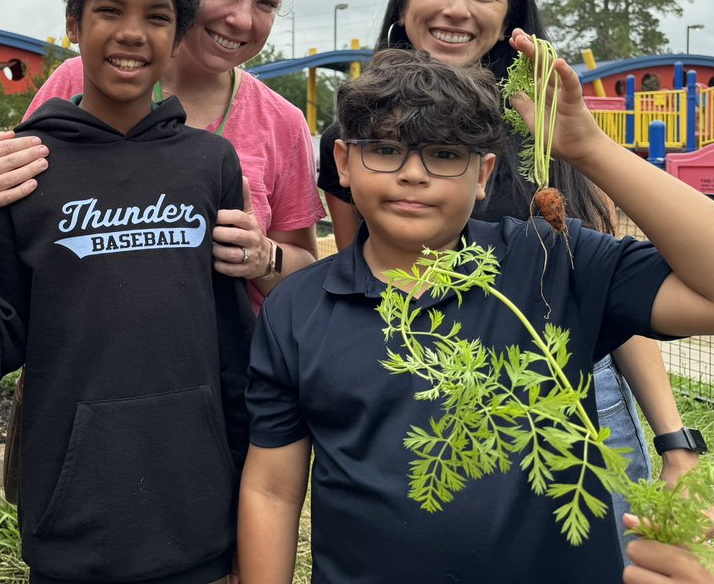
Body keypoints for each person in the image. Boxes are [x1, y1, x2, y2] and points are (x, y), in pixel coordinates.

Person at [238, 44, 714, 583]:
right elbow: (272, 489)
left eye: (444, 154)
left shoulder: (552, 260)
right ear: (344, 163)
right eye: (387, 150)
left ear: (484, 174)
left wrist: (589, 149)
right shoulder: (296, 307)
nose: (413, 174)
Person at [315, 0, 697, 558]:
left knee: (600, 554)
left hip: (568, 382)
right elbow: (358, 283)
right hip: (431, 381)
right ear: (405, 2)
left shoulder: (545, 123)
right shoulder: (352, 133)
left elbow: (611, 287)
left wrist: (673, 437)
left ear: (510, 18)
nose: (458, 9)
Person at [0, 0, 253, 584]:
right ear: (72, 25)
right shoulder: (27, 166)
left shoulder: (210, 165)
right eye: (108, 10)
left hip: (197, 514)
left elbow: (233, 348)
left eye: (155, 15)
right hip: (75, 521)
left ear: (178, 33)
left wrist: (243, 498)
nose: (131, 33)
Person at [0, 0, 323, 306]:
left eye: (267, 3)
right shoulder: (78, 81)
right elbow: (15, 225)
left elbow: (306, 268)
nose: (241, 19)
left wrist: (265, 257)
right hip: (80, 358)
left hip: (228, 369)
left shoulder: (283, 121)